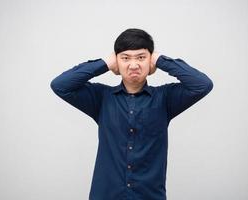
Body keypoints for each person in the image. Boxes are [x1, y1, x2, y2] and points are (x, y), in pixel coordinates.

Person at [50, 28, 213, 200]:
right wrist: (104, 62)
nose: (133, 65)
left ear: (150, 61)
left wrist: (160, 60)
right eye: (125, 58)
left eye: (141, 57)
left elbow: (202, 85)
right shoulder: (101, 98)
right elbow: (60, 85)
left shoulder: (165, 98)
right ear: (117, 62)